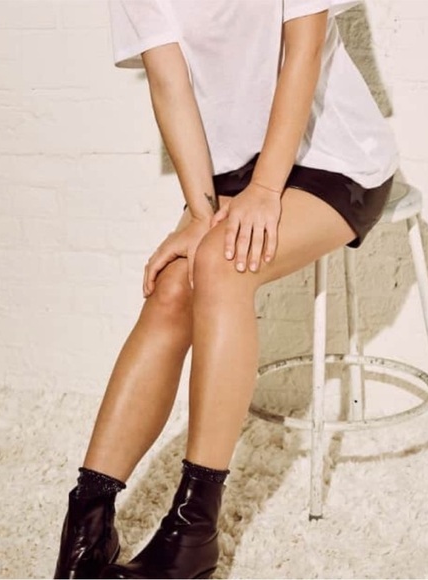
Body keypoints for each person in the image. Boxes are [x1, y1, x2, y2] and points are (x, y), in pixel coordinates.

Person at [53, 0, 399, 578]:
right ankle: (87, 524)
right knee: (172, 286)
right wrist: (199, 212)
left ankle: (194, 532)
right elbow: (169, 86)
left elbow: (303, 51)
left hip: (335, 158)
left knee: (220, 263)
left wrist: (265, 191)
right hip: (233, 170)